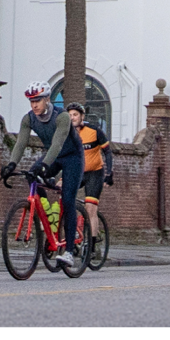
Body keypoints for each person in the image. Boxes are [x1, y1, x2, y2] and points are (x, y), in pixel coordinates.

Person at [4, 81, 85, 269]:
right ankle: (47, 214)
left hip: (72, 157)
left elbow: (57, 143)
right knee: (30, 175)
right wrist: (11, 164)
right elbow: (20, 143)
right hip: (52, 156)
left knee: (67, 200)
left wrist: (45, 165)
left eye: (38, 100)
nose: (34, 105)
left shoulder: (61, 116)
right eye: (31, 101)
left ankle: (70, 251)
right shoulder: (29, 119)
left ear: (48, 99)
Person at [72, 104, 114, 254]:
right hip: (77, 173)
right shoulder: (66, 134)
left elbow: (108, 152)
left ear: (82, 116)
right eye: (70, 115)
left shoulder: (94, 131)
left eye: (75, 114)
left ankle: (92, 244)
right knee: (64, 200)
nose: (72, 118)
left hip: (94, 173)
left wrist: (109, 173)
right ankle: (71, 240)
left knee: (90, 208)